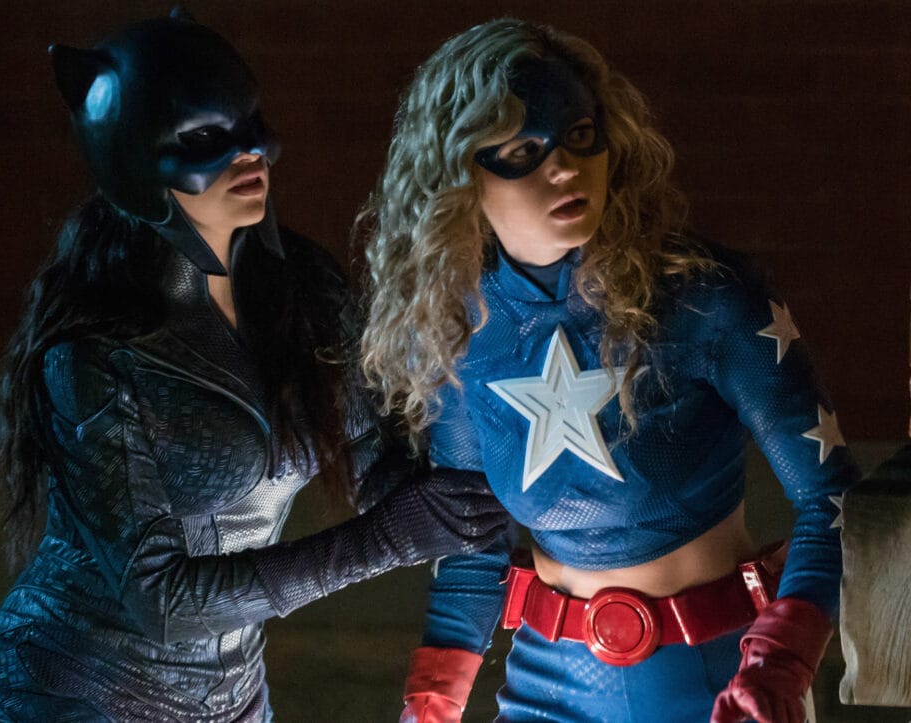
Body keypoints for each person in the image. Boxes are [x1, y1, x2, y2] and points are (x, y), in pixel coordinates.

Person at [0, 11, 506, 721]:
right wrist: (385, 539)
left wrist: (478, 479)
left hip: (234, 696)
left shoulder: (303, 288)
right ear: (135, 163)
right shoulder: (94, 353)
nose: (251, 151)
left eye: (250, 123)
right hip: (71, 691)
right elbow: (161, 599)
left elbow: (371, 458)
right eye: (204, 139)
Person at [359, 18, 858, 723]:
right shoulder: (454, 330)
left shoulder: (706, 297)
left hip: (717, 681)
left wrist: (779, 665)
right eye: (524, 150)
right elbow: (472, 545)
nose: (565, 167)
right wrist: (431, 703)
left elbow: (832, 499)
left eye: (579, 135)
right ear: (459, 172)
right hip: (540, 685)